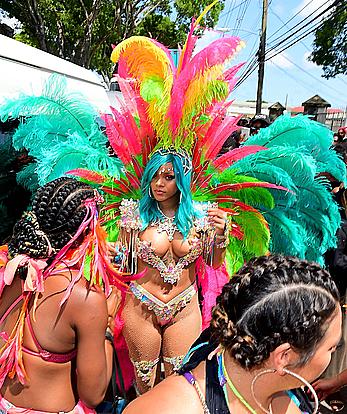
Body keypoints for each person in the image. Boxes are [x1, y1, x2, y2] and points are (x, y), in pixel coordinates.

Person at [123, 255, 342, 414]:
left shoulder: (290, 386)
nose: (333, 353)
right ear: (284, 357)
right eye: (331, 348)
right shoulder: (166, 409)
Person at [112, 150, 229, 394]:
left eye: (168, 177)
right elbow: (126, 266)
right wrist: (113, 254)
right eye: (154, 177)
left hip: (184, 308)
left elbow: (213, 262)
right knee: (145, 383)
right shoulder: (135, 215)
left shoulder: (201, 218)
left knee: (178, 382)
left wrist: (220, 235)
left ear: (183, 181)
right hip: (142, 308)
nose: (159, 183)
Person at [0, 177, 120, 413]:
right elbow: (93, 394)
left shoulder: (9, 268)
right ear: (86, 233)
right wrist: (107, 324)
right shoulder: (83, 298)